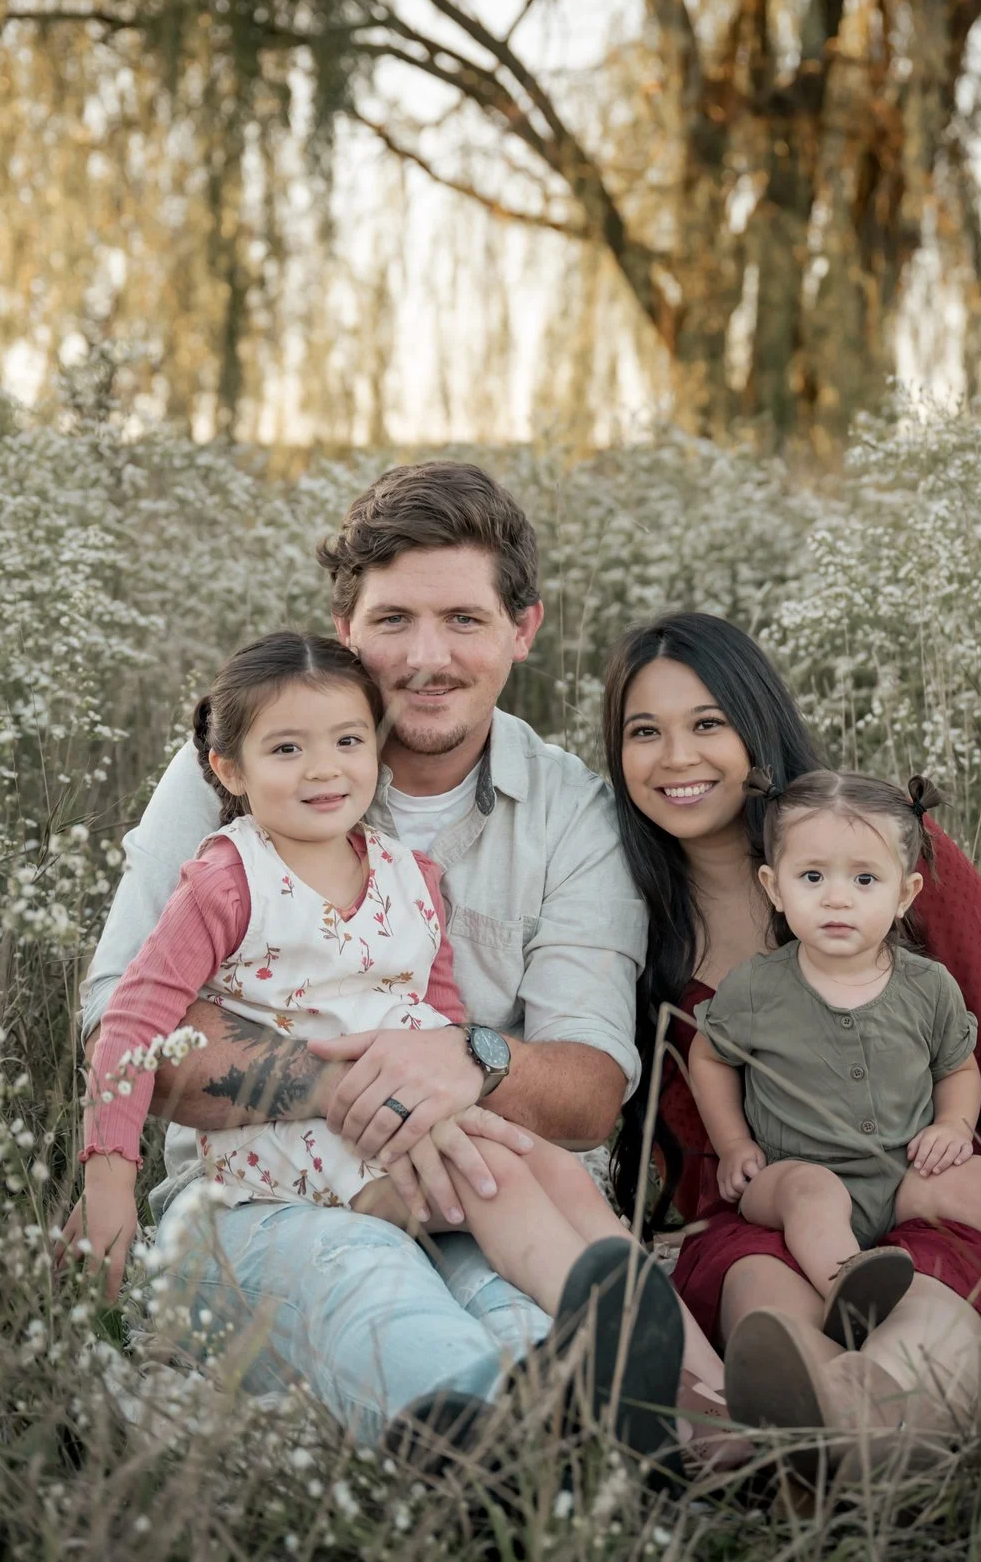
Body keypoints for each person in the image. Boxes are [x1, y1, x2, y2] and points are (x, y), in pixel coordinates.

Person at [64, 462, 678, 1456]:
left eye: (463, 620)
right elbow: (125, 1024)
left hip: (460, 1190)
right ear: (344, 626)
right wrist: (361, 1081)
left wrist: (467, 1060)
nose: (425, 657)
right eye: (393, 619)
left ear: (523, 630)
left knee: (513, 1302)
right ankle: (497, 1465)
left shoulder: (571, 812)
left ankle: (600, 1443)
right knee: (367, 1277)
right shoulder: (238, 762)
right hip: (252, 1204)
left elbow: (589, 1090)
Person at [603, 612, 981, 1486]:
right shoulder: (628, 918)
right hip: (767, 1219)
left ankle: (855, 1426)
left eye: (708, 723)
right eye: (645, 731)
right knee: (764, 1300)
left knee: (926, 1293)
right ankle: (807, 1416)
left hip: (925, 1193)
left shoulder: (886, 855)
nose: (677, 756)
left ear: (757, 726)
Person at [685, 769, 981, 1359]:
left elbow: (957, 1067)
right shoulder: (755, 988)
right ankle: (848, 1289)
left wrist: (952, 1126)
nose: (837, 897)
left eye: (865, 878)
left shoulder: (929, 986)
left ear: (905, 893)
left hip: (906, 1172)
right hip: (789, 1173)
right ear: (775, 888)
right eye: (812, 876)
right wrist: (734, 1144)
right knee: (812, 1192)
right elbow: (708, 1056)